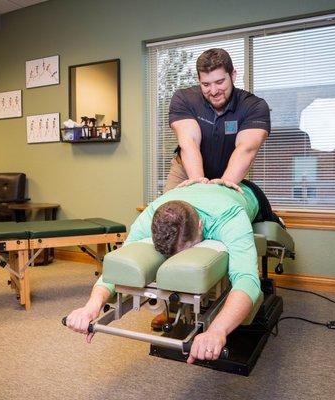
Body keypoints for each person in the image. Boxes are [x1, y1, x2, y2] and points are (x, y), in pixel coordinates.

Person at [65, 182, 262, 364]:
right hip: (191, 186)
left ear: (201, 225)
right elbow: (117, 268)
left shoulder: (229, 216)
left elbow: (247, 279)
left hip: (246, 193)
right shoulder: (150, 215)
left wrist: (217, 330)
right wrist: (91, 307)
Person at [166, 48, 270, 193]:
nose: (213, 91)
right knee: (170, 212)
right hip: (185, 171)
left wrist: (223, 187)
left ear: (233, 75)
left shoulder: (254, 106)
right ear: (199, 80)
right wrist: (197, 182)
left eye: (220, 82)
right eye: (206, 84)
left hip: (230, 171)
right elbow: (189, 142)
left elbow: (246, 149)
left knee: (221, 208)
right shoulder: (184, 99)